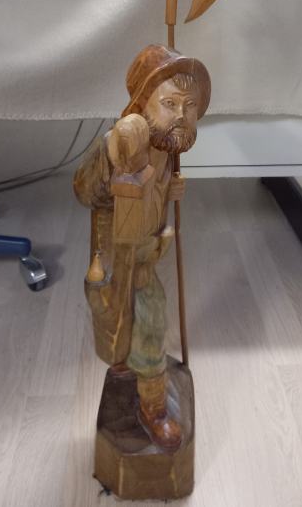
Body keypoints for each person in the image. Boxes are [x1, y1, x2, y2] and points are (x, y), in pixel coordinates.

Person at [73, 43, 210, 452]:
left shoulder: (167, 149)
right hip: (116, 259)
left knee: (146, 321)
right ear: (141, 104)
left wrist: (170, 189)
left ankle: (147, 399)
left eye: (190, 105)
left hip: (146, 257)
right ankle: (138, 387)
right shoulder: (120, 143)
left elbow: (154, 196)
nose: (181, 114)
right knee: (118, 317)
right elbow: (84, 190)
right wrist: (112, 157)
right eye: (169, 103)